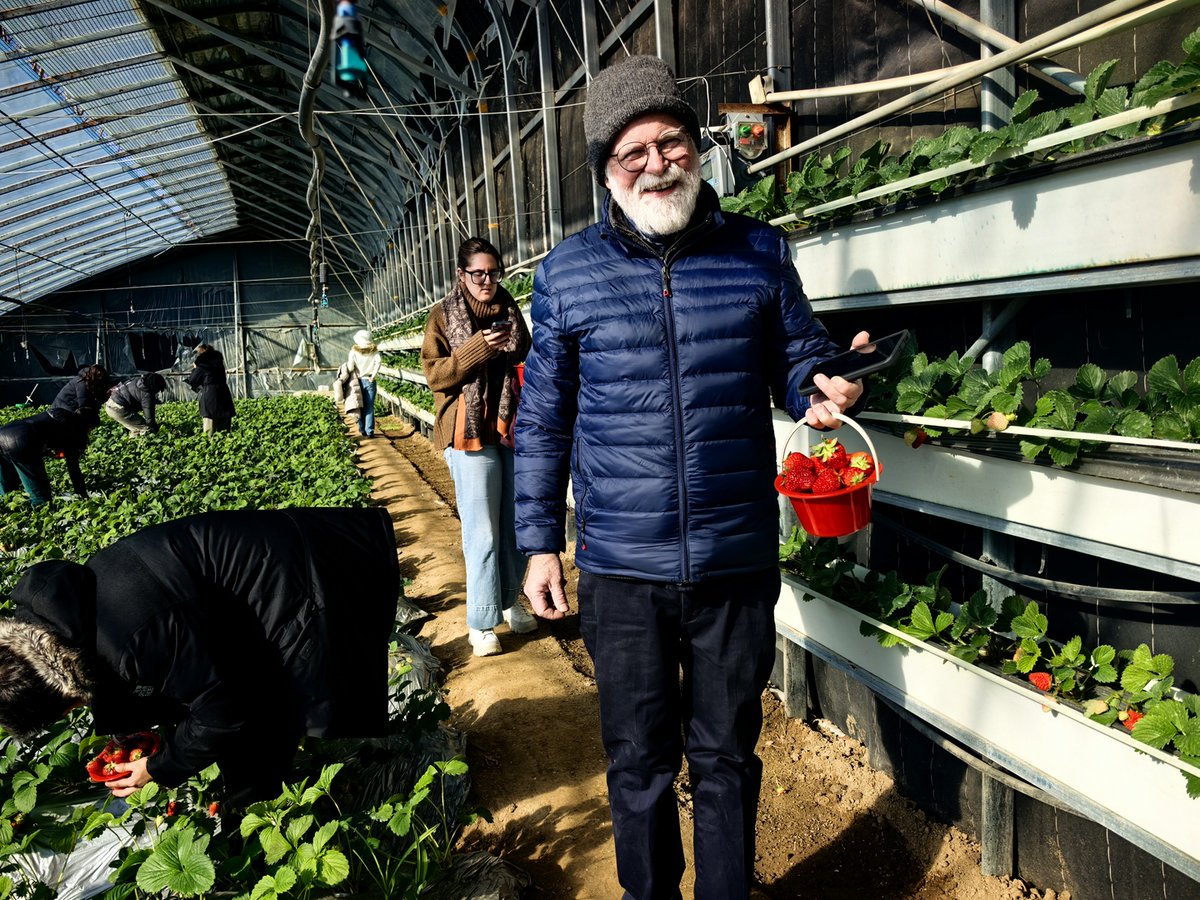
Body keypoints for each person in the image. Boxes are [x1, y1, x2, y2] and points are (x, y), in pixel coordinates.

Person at [513, 55, 872, 900]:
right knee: (637, 759)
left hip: (734, 557)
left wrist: (823, 389)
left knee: (725, 755)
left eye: (669, 142)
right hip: (620, 567)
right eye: (631, 153)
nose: (655, 164)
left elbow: (796, 360)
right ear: (606, 168)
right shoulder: (566, 274)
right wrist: (537, 544)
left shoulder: (757, 251)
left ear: (697, 147)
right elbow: (542, 420)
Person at [0, 507, 400, 808]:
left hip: (317, 574)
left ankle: (256, 818)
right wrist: (133, 732)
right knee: (258, 706)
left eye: (64, 709)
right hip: (284, 560)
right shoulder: (60, 614)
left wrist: (158, 768)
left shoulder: (134, 636)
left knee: (278, 708)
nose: (74, 711)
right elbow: (175, 669)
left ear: (55, 686)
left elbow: (225, 710)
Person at [421, 237, 537, 657]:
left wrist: (511, 342)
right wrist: (476, 349)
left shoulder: (508, 307)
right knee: (482, 532)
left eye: (493, 272)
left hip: (506, 427)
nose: (487, 281)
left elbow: (524, 351)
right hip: (466, 435)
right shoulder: (442, 316)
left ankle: (509, 600)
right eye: (478, 273)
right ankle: (482, 621)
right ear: (461, 275)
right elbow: (436, 375)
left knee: (511, 524)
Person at [0, 409, 94, 506]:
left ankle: (6, 513)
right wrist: (82, 493)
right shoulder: (74, 431)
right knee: (40, 496)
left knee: (8, 491)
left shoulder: (59, 413)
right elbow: (73, 468)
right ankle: (41, 515)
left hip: (3, 432)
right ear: (86, 425)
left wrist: (46, 451)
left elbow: (40, 432)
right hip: (21, 441)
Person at [186, 344, 235, 434]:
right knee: (224, 432)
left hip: (210, 398)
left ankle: (211, 446)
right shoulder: (219, 363)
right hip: (224, 395)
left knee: (210, 431)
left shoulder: (202, 365)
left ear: (201, 354)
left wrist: (195, 369)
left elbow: (193, 381)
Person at [105, 372, 168, 436]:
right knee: (145, 429)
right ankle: (138, 444)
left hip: (110, 403)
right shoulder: (147, 395)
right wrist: (155, 430)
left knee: (136, 427)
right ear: (155, 387)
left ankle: (132, 442)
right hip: (117, 408)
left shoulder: (136, 380)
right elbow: (149, 418)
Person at [346, 330, 381, 437]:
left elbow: (350, 367)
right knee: (369, 406)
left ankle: (362, 429)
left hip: (357, 381)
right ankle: (370, 431)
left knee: (359, 405)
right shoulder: (375, 352)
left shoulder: (353, 352)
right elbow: (378, 362)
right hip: (370, 380)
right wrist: (373, 375)